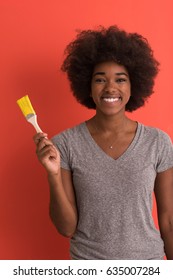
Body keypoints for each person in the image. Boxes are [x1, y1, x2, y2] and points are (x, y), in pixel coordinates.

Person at [33, 26, 173, 260]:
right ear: (88, 86)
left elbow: (169, 220)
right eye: (100, 79)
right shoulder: (65, 144)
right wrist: (53, 175)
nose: (110, 88)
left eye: (121, 79)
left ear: (133, 86)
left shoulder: (157, 142)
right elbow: (66, 228)